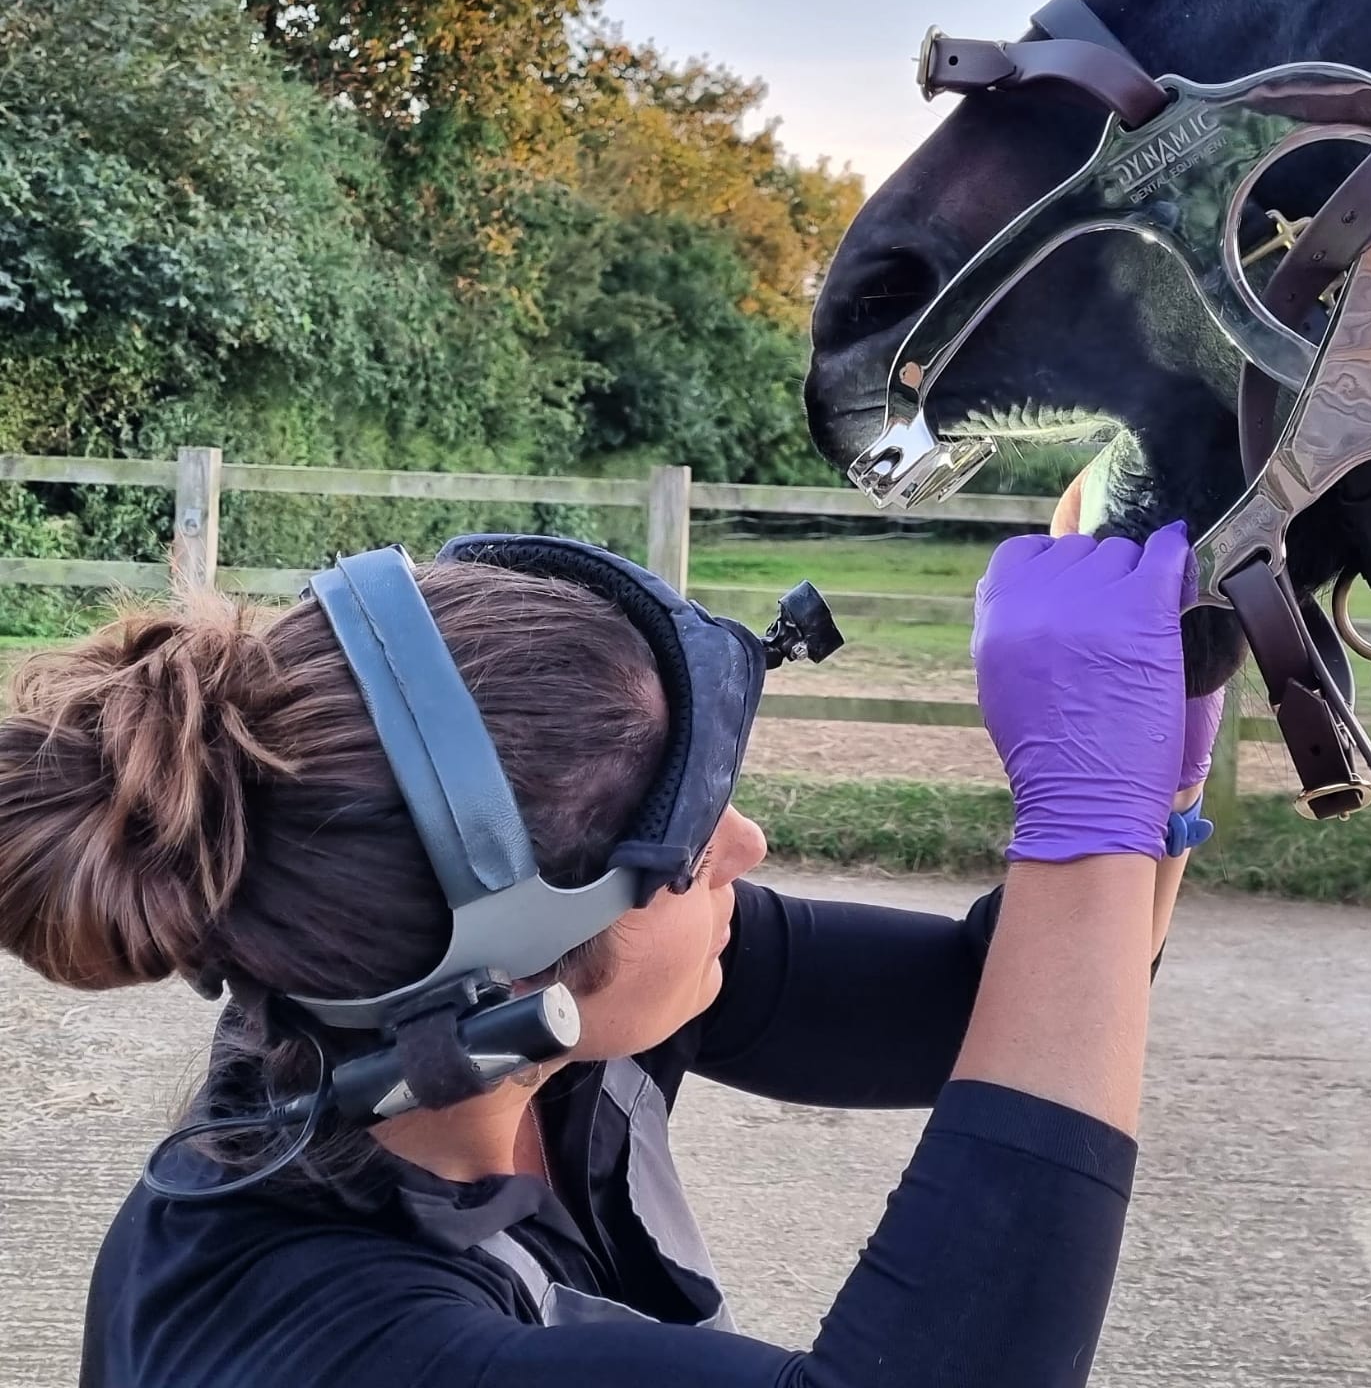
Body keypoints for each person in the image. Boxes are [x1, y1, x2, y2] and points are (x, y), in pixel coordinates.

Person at [0, 523, 1224, 1387]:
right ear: (515, 966)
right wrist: (1087, 824)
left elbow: (986, 1006)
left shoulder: (482, 1025)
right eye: (688, 848)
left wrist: (1149, 782)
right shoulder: (316, 1339)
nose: (745, 842)